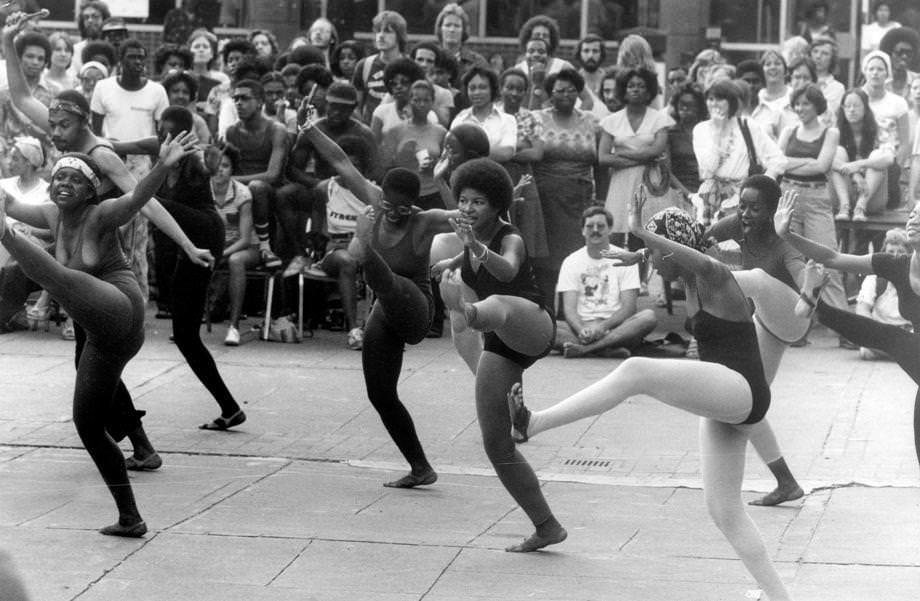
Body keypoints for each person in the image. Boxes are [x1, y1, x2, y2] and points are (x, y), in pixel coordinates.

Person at [508, 193, 794, 600]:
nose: (654, 263)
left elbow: (693, 254)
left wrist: (643, 233)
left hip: (742, 391)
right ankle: (780, 596)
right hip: (732, 399)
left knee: (635, 370)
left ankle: (532, 423)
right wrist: (642, 251)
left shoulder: (714, 274)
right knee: (725, 512)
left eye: (658, 252)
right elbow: (676, 252)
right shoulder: (690, 276)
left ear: (673, 248)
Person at [0, 132, 198, 537]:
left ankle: (6, 242)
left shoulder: (102, 213)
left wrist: (162, 165)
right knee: (88, 425)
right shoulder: (52, 214)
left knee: (55, 274)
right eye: (58, 179)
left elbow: (137, 198)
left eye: (74, 180)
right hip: (100, 334)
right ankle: (130, 516)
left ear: (90, 190)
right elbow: (9, 203)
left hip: (120, 309)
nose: (63, 185)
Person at [300, 106, 456, 488]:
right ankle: (421, 467)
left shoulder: (422, 221)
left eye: (404, 208)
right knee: (380, 393)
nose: (396, 213)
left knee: (386, 279)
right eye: (389, 205)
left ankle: (366, 249)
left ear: (414, 205)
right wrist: (309, 128)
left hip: (414, 307)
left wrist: (447, 180)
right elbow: (339, 160)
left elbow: (462, 216)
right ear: (381, 194)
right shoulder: (374, 198)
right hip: (384, 313)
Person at [438, 157, 567, 553]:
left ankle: (469, 313)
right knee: (496, 445)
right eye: (463, 201)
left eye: (477, 202)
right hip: (500, 344)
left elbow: (508, 271)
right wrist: (446, 264)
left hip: (532, 325)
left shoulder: (510, 238)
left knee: (494, 301)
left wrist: (472, 252)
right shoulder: (467, 241)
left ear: (496, 205)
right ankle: (546, 525)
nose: (468, 209)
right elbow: (461, 256)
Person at [121, 107, 247, 430]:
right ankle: (230, 407)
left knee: (187, 336)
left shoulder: (194, 156)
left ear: (187, 133)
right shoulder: (159, 147)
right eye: (163, 132)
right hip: (182, 241)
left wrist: (210, 155)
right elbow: (119, 146)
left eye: (174, 133)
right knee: (185, 334)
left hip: (203, 234)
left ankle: (230, 407)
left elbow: (210, 163)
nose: (168, 139)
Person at [775, 191, 920, 468]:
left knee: (890, 337)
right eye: (913, 213)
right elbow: (831, 257)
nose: (915, 218)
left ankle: (814, 306)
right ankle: (815, 307)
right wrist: (788, 235)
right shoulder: (894, 265)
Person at [704, 176, 810, 506]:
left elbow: (806, 281)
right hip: (766, 322)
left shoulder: (786, 244)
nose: (746, 214)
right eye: (742, 206)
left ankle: (714, 279)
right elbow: (697, 236)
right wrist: (645, 250)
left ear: (774, 212)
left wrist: (813, 290)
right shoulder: (738, 223)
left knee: (758, 281)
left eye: (755, 208)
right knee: (745, 402)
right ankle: (786, 482)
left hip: (794, 315)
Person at [90, 39, 170, 300]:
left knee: (137, 237)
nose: (138, 62)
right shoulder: (103, 88)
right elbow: (95, 133)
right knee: (103, 228)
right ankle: (100, 295)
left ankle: (137, 298)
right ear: (120, 61)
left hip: (141, 166)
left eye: (142, 58)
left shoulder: (157, 92)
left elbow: (162, 139)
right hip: (107, 163)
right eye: (132, 57)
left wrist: (131, 149)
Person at [777, 83, 849, 336]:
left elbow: (821, 166)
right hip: (789, 196)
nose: (800, 108)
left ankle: (845, 330)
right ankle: (795, 328)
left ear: (817, 105)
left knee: (828, 259)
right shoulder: (788, 130)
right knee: (791, 261)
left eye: (806, 103)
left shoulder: (831, 133)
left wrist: (793, 163)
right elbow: (776, 161)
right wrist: (805, 161)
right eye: (797, 103)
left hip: (817, 198)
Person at [532, 68, 599, 308]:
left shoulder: (590, 120)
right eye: (560, 90)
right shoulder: (537, 118)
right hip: (545, 198)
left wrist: (599, 199)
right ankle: (546, 310)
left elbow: (599, 163)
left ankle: (570, 312)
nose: (566, 95)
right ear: (550, 93)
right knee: (547, 257)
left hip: (580, 198)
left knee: (575, 255)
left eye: (572, 90)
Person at [553, 206, 657, 358]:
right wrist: (582, 329)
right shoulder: (571, 261)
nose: (595, 230)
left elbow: (629, 308)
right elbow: (569, 310)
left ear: (610, 229)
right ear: (582, 230)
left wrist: (602, 327)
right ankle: (606, 349)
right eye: (589, 226)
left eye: (601, 226)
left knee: (648, 317)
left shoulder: (625, 258)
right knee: (545, 325)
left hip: (616, 328)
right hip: (581, 329)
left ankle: (585, 350)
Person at [693, 80, 786, 225]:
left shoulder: (748, 125)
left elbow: (778, 159)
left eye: (720, 99)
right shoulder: (701, 129)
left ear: (731, 102)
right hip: (710, 199)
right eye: (710, 99)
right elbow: (709, 167)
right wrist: (718, 133)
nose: (714, 104)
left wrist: (761, 185)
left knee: (740, 244)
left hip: (742, 199)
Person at [599, 67, 674, 245]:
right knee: (616, 236)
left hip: (651, 182)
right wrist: (643, 157)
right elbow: (603, 158)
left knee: (647, 237)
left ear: (649, 91)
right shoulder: (611, 121)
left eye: (641, 86)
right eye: (631, 85)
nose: (635, 89)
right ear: (623, 90)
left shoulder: (660, 119)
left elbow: (656, 151)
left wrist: (622, 153)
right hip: (621, 183)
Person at [224, 78, 289, 269]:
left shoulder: (276, 129)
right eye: (235, 99)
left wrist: (233, 180)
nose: (238, 103)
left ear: (260, 102)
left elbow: (273, 175)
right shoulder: (231, 132)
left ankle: (265, 246)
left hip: (270, 191)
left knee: (257, 187)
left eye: (244, 98)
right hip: (241, 191)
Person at [209, 143, 258, 346]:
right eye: (217, 165)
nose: (220, 170)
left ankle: (234, 327)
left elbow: (245, 239)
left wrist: (221, 254)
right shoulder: (202, 190)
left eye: (226, 165)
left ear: (232, 169)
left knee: (236, 261)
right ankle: (186, 325)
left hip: (245, 249)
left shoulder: (243, 193)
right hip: (216, 248)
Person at [497, 67, 548, 260]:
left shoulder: (532, 117)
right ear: (501, 89)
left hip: (523, 176)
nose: (514, 93)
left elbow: (536, 153)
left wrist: (505, 151)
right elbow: (488, 149)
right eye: (509, 87)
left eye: (519, 89)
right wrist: (519, 146)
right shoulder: (493, 115)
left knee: (526, 228)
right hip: (498, 175)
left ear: (526, 92)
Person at [832, 88, 895, 222]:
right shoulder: (835, 132)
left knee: (877, 155)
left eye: (856, 105)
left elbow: (889, 158)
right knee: (838, 152)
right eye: (847, 106)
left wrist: (860, 164)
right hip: (844, 193)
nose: (852, 110)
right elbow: (825, 160)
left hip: (872, 197)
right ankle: (844, 206)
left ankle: (861, 206)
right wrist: (855, 175)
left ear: (866, 108)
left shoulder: (880, 129)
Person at [855, 228, 912, 360]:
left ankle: (898, 353)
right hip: (880, 331)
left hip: (907, 332)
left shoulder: (915, 278)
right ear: (884, 254)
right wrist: (874, 331)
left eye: (901, 252)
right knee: (865, 349)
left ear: (909, 255)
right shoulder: (874, 278)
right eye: (890, 252)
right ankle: (901, 355)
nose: (895, 256)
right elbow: (862, 308)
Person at [451, 65, 516, 163]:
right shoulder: (460, 121)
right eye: (472, 88)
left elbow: (507, 152)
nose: (477, 92)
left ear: (492, 90)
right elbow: (451, 153)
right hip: (465, 176)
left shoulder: (507, 120)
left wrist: (468, 155)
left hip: (497, 174)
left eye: (483, 87)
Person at [353, 10, 408, 124]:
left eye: (388, 32)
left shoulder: (409, 66)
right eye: (378, 31)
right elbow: (355, 106)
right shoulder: (365, 65)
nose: (381, 36)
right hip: (370, 131)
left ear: (399, 36)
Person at [434, 2, 488, 88]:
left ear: (463, 30)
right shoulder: (431, 58)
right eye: (448, 25)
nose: (452, 30)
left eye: (457, 26)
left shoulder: (477, 62)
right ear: (440, 29)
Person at [70, 0, 109, 79]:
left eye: (95, 17)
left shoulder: (111, 49)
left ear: (104, 19)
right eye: (86, 17)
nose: (90, 20)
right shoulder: (76, 50)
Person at [878, 27, 919, 100]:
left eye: (908, 53)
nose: (904, 56)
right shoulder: (879, 79)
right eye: (899, 52)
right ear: (890, 54)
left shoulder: (917, 80)